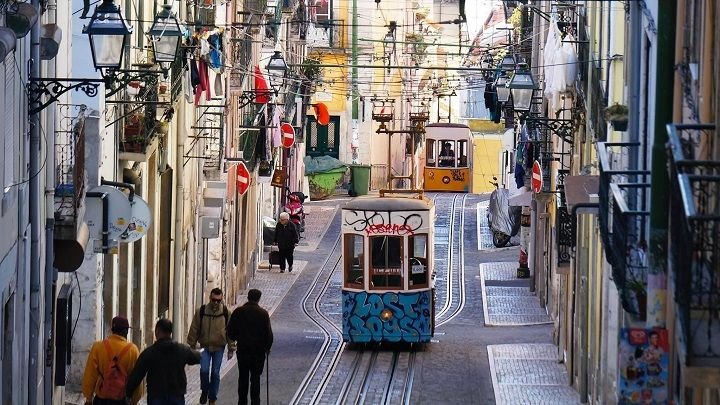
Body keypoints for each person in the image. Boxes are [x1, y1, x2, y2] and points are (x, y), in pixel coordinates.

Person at [125, 319, 201, 405]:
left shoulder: (150, 352)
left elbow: (137, 374)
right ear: (170, 332)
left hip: (156, 395)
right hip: (176, 394)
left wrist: (129, 393)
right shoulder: (181, 350)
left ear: (157, 331)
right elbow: (198, 357)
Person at [187, 288, 236, 405]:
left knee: (215, 372)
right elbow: (194, 328)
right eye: (214, 300)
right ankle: (204, 390)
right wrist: (191, 344)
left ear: (221, 299)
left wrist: (231, 348)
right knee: (204, 370)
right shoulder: (202, 311)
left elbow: (230, 331)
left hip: (219, 347)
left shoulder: (226, 312)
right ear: (210, 298)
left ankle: (212, 397)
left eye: (218, 301)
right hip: (205, 346)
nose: (216, 303)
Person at [226, 289, 274, 405]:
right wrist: (267, 347)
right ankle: (255, 402)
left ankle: (242, 402)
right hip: (258, 352)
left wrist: (238, 338)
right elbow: (268, 334)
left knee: (243, 377)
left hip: (243, 351)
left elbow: (230, 331)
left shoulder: (238, 312)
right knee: (255, 378)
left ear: (248, 297)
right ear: (258, 299)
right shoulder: (263, 314)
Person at [82, 316, 141, 405]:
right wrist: (134, 401)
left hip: (101, 399)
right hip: (121, 400)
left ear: (112, 330)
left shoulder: (98, 347)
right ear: (126, 331)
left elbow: (90, 375)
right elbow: (136, 379)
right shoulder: (133, 350)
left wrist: (88, 399)